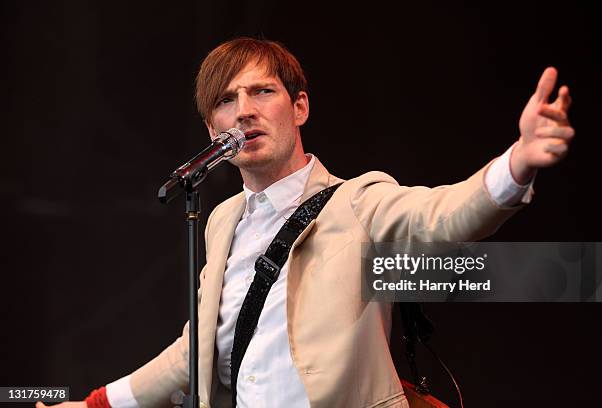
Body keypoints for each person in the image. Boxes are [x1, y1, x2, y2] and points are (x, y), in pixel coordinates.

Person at [37, 37, 574, 408]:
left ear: (299, 108)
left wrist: (518, 162)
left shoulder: (356, 201)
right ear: (211, 129)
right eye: (227, 101)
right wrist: (96, 401)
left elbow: (445, 215)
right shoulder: (222, 221)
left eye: (262, 92)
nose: (243, 110)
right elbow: (197, 353)